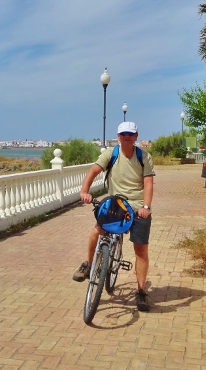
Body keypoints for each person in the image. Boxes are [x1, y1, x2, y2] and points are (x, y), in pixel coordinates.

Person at [72, 121, 155, 312]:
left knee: (141, 248)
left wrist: (146, 207)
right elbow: (93, 171)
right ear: (118, 136)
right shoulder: (111, 154)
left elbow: (149, 183)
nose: (127, 137)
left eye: (130, 134)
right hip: (116, 204)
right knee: (97, 231)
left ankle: (141, 291)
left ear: (136, 136)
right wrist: (84, 191)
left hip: (137, 207)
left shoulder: (144, 157)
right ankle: (89, 265)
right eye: (123, 134)